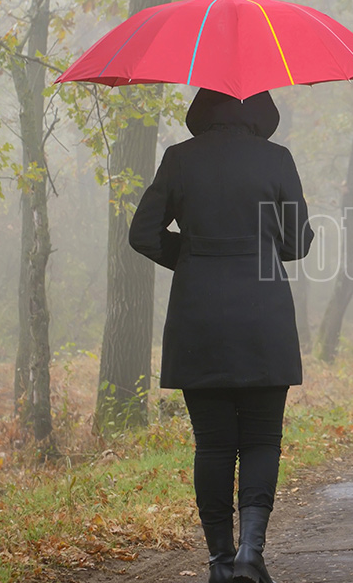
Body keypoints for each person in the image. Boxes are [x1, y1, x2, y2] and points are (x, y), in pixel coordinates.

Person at [129, 88, 313, 583]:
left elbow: (143, 233)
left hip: (198, 320)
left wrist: (193, 257)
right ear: (261, 110)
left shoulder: (179, 159)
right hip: (264, 318)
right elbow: (297, 242)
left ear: (202, 108)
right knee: (261, 440)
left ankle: (219, 563)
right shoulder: (276, 159)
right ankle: (252, 552)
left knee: (212, 446)